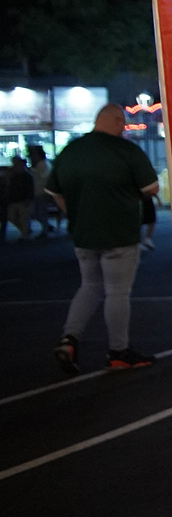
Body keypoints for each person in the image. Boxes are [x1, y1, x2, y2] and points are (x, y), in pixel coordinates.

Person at [47, 104, 161, 371]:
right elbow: (152, 187)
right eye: (123, 122)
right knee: (117, 292)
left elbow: (54, 192)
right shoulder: (126, 151)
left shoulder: (71, 150)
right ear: (117, 120)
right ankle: (118, 351)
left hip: (83, 235)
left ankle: (69, 339)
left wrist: (75, 214)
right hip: (119, 233)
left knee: (89, 286)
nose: (124, 127)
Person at [28, 144, 56, 236]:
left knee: (38, 212)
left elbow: (40, 179)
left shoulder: (42, 165)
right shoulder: (44, 164)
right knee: (37, 211)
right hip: (40, 192)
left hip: (41, 192)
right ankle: (46, 226)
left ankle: (45, 228)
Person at [5, 154, 34, 241]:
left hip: (22, 199)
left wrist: (28, 199)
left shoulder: (26, 176)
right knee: (13, 217)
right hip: (14, 199)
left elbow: (30, 189)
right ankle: (25, 231)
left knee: (22, 217)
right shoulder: (14, 175)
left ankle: (24, 232)